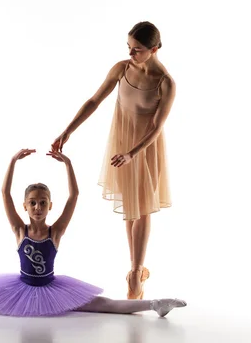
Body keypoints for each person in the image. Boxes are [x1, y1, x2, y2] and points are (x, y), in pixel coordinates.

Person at [0, 149, 185, 317]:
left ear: (49, 205)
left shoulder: (56, 231)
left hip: (53, 286)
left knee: (103, 306)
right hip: (19, 287)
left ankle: (155, 305)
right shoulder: (20, 229)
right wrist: (13, 162)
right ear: (25, 206)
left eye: (43, 203)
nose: (38, 207)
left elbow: (75, 196)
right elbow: (3, 192)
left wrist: (68, 163)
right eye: (33, 203)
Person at [51, 21, 176, 299]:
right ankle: (137, 270)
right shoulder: (121, 68)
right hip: (121, 143)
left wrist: (134, 153)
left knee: (142, 208)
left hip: (145, 147)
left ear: (154, 49)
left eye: (138, 50)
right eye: (129, 48)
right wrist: (67, 131)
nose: (131, 54)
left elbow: (156, 127)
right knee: (130, 205)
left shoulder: (165, 83)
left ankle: (134, 274)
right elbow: (94, 100)